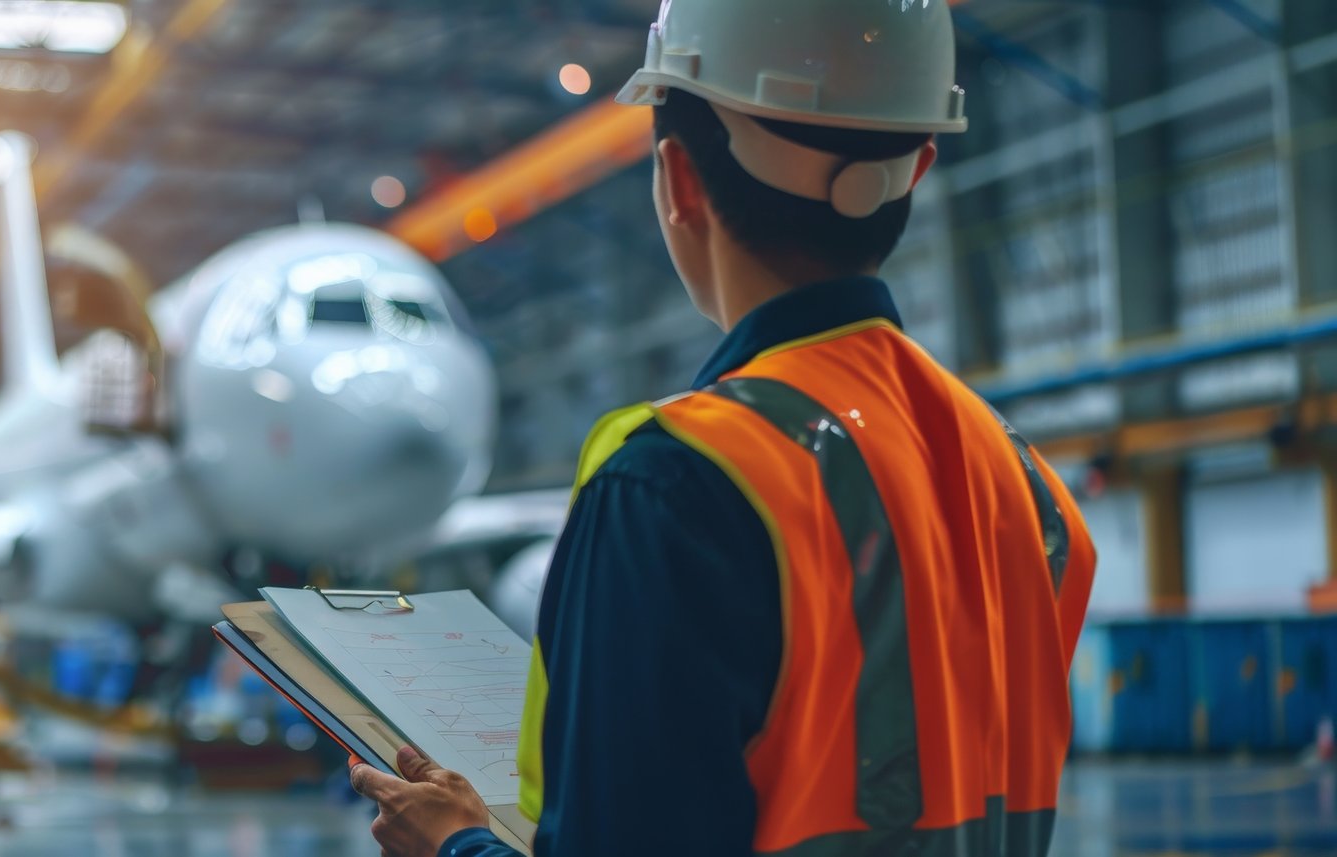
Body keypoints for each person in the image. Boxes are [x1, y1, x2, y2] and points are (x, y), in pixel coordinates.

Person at [349, 1, 1098, 855]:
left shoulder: (676, 484)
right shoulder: (1028, 485)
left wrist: (453, 844)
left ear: (680, 181)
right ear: (919, 164)